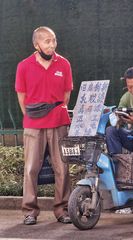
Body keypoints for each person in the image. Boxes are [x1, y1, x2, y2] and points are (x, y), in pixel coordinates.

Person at [15, 26, 73, 225]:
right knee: (31, 168)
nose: (51, 45)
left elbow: (66, 95)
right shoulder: (24, 66)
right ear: (36, 44)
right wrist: (32, 117)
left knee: (62, 168)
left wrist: (55, 111)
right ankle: (30, 211)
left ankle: (63, 209)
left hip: (59, 122)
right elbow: (21, 97)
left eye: (54, 40)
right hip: (33, 124)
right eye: (47, 41)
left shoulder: (64, 64)